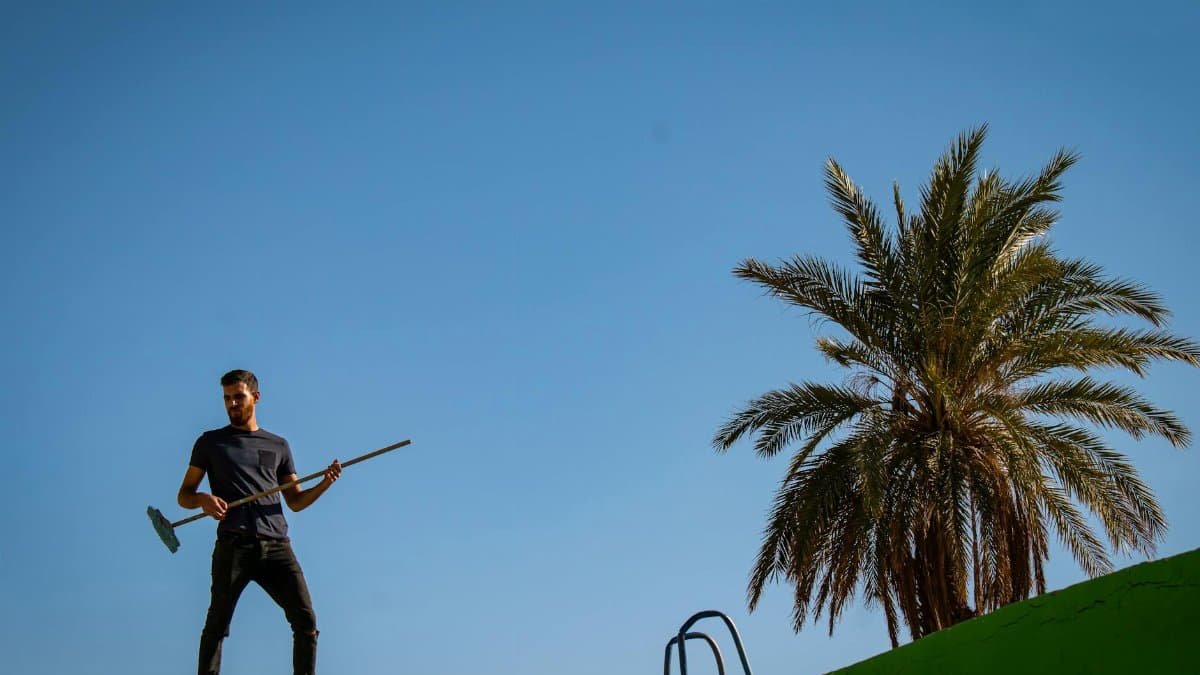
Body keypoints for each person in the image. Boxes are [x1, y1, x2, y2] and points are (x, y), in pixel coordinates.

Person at [177, 369, 342, 675]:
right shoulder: (210, 443)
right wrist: (202, 499)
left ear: (255, 397)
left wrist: (324, 483)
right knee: (217, 624)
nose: (232, 404)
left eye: (238, 397)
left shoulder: (278, 445)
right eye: (227, 398)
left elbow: (295, 501)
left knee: (306, 621)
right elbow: (184, 495)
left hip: (277, 547)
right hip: (233, 546)